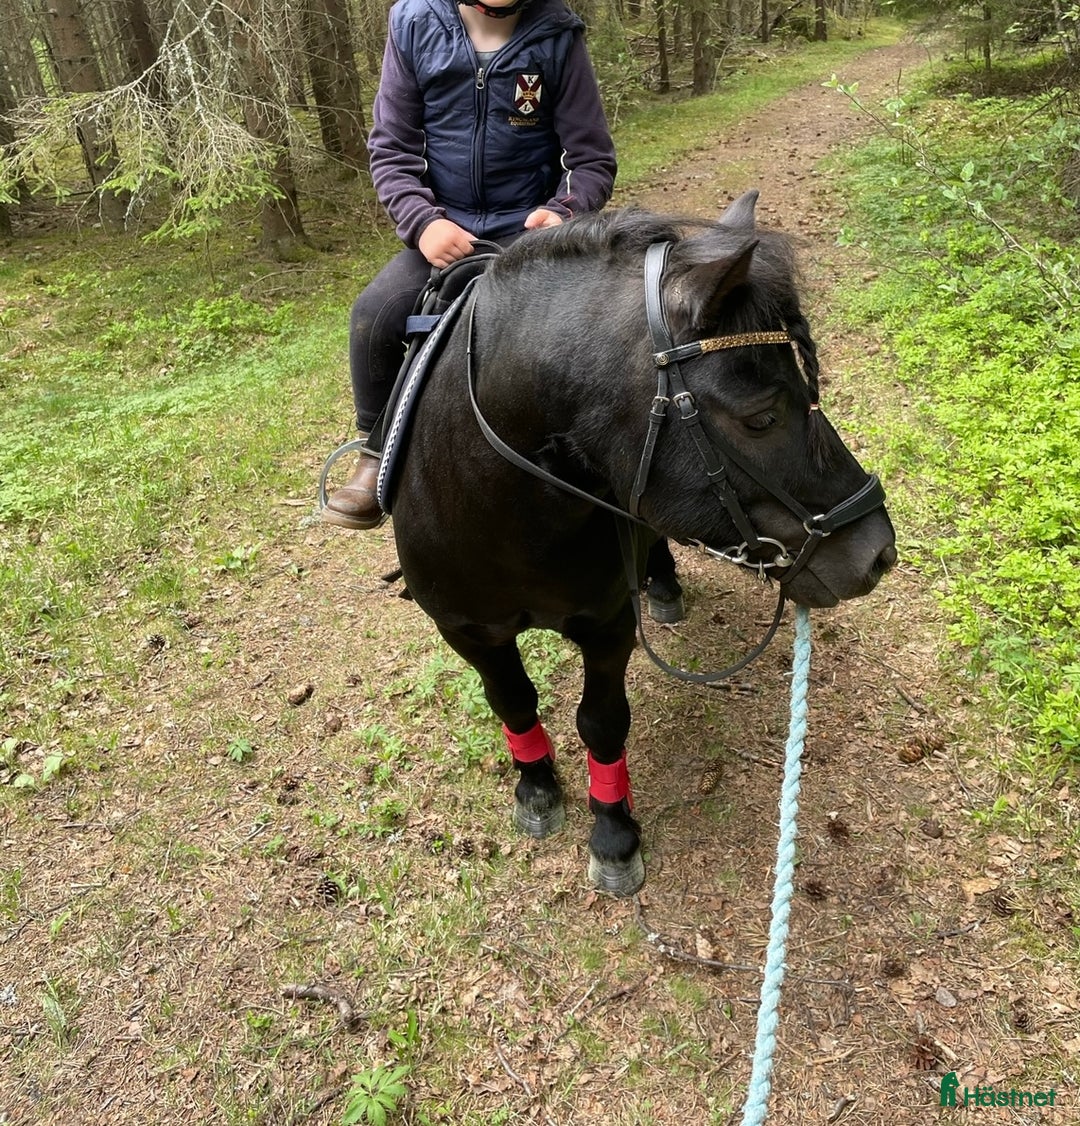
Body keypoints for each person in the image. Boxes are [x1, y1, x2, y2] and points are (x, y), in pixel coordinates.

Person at [321, 0, 617, 529]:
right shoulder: (414, 24)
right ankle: (375, 448)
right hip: (446, 232)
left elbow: (590, 158)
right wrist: (423, 223)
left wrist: (563, 212)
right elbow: (392, 150)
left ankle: (615, 478)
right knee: (374, 314)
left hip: (530, 233)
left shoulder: (557, 35)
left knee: (597, 335)